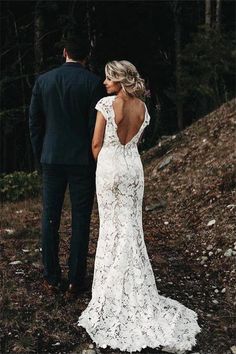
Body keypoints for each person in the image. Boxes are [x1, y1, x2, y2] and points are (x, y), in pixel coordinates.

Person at [77, 60, 201, 352]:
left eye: (109, 79)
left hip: (109, 169)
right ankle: (136, 288)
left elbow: (96, 145)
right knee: (131, 228)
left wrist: (106, 166)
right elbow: (133, 142)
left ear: (120, 80)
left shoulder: (106, 104)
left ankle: (111, 295)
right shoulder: (143, 109)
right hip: (133, 170)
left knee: (111, 229)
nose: (105, 83)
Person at [29, 36, 105, 296]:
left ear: (64, 52)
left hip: (51, 158)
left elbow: (35, 124)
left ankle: (51, 277)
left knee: (50, 218)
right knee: (80, 219)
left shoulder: (44, 81)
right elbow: (95, 127)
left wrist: (42, 155)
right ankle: (75, 280)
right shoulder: (94, 83)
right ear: (87, 56)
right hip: (82, 160)